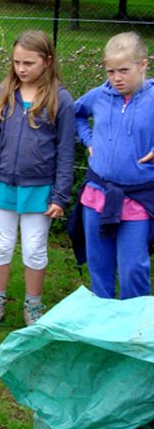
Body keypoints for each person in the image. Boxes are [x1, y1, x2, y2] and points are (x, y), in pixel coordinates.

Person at [0, 31, 75, 329]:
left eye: (29, 62)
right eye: (17, 62)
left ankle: (34, 306)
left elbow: (66, 152)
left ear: (47, 61)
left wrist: (60, 195)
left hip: (40, 189)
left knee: (34, 248)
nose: (21, 68)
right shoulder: (2, 93)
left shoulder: (61, 99)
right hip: (3, 184)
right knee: (1, 245)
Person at [70, 32, 154, 299]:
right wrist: (89, 139)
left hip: (138, 198)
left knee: (133, 267)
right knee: (99, 264)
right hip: (97, 194)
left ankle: (136, 328)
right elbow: (75, 114)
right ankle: (103, 322)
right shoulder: (99, 96)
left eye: (124, 70)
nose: (117, 78)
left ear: (144, 64)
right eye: (111, 71)